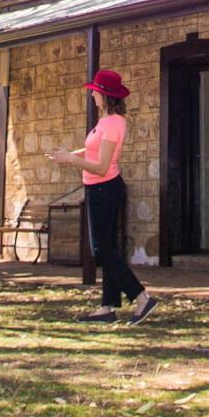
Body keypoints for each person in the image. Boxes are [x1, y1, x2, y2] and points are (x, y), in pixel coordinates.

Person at [47, 69, 157, 324]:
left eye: (95, 90)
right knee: (108, 249)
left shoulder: (115, 123)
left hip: (105, 189)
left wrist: (72, 160)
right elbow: (93, 150)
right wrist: (67, 154)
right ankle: (107, 308)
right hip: (98, 189)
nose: (92, 93)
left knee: (101, 250)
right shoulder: (104, 121)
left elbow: (101, 166)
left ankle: (141, 297)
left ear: (105, 95)